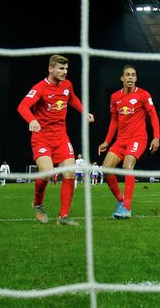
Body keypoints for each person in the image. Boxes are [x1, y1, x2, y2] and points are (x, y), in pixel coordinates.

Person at [17, 54, 94, 226]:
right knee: (47, 172)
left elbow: (72, 99)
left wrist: (84, 112)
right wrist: (32, 120)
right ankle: (38, 205)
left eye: (66, 69)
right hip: (42, 137)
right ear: (51, 69)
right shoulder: (40, 88)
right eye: (60, 68)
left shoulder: (67, 85)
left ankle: (63, 216)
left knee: (70, 172)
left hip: (61, 137)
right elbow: (22, 106)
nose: (64, 72)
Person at [98, 64, 160, 220]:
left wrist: (156, 137)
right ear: (122, 78)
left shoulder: (144, 95)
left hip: (138, 138)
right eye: (127, 75)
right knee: (105, 169)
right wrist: (107, 141)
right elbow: (114, 120)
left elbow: (153, 116)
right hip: (120, 140)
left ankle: (127, 207)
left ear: (136, 78)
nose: (131, 77)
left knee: (127, 167)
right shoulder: (115, 97)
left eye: (133, 75)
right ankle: (120, 201)